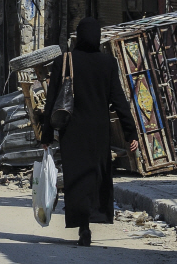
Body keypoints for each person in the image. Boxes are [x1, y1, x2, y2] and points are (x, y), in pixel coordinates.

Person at [41, 17, 139, 247]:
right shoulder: (108, 63)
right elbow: (119, 101)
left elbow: (51, 101)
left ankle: (81, 223)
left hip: (71, 131)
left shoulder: (64, 61)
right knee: (95, 176)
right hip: (98, 132)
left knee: (76, 177)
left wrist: (46, 135)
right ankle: (90, 222)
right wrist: (130, 133)